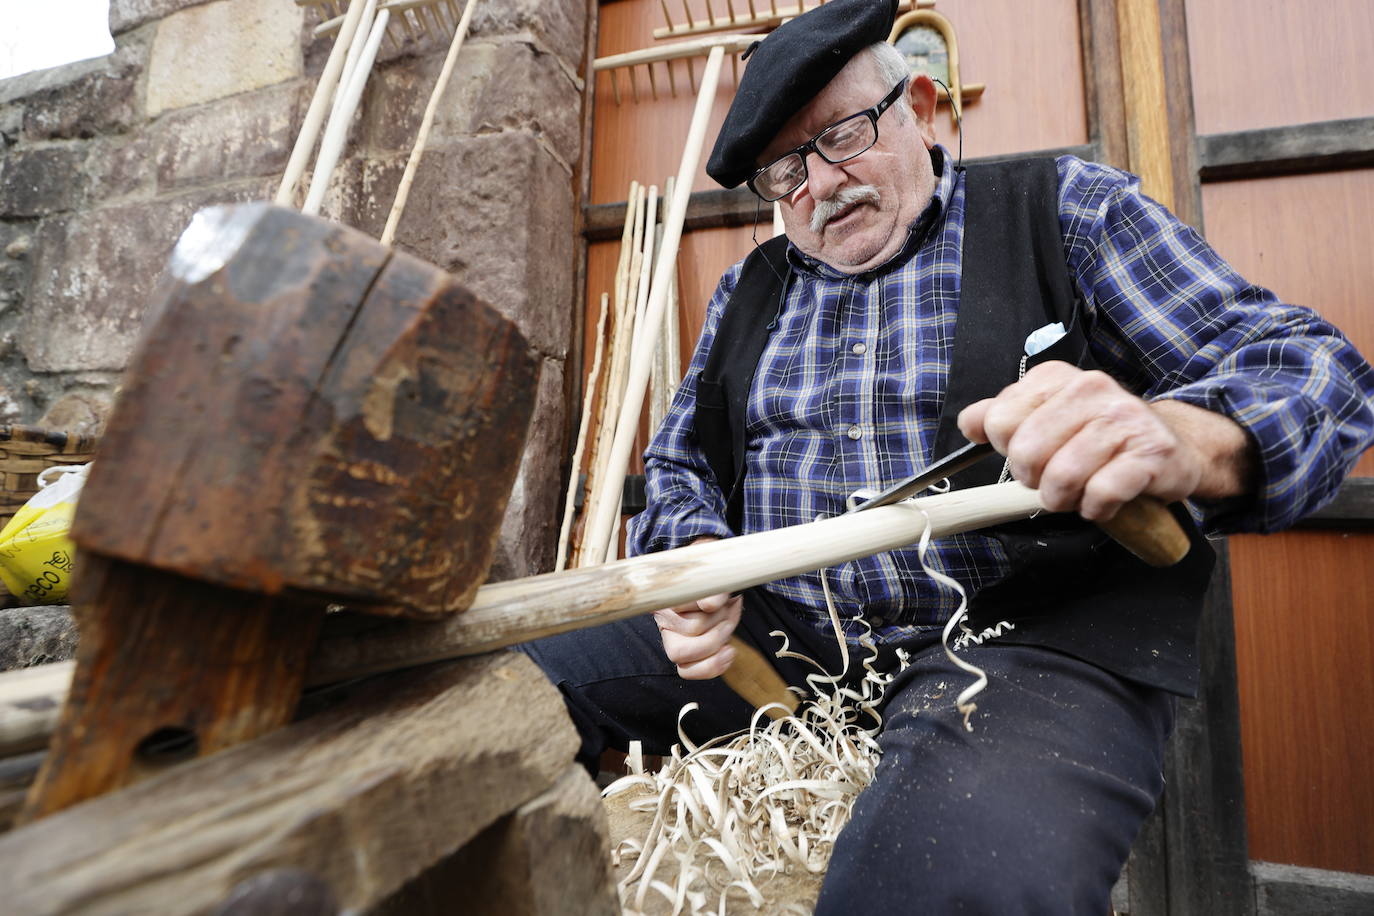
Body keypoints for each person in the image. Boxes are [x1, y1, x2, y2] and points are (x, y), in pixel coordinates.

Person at [523, 0, 1374, 910]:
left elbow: (1313, 371)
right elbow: (680, 466)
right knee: (512, 692)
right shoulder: (748, 288)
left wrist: (1187, 435)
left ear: (920, 105)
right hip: (792, 634)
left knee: (936, 886)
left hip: (1021, 645)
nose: (821, 184)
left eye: (844, 133)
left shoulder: (1066, 208)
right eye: (786, 170)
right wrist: (693, 558)